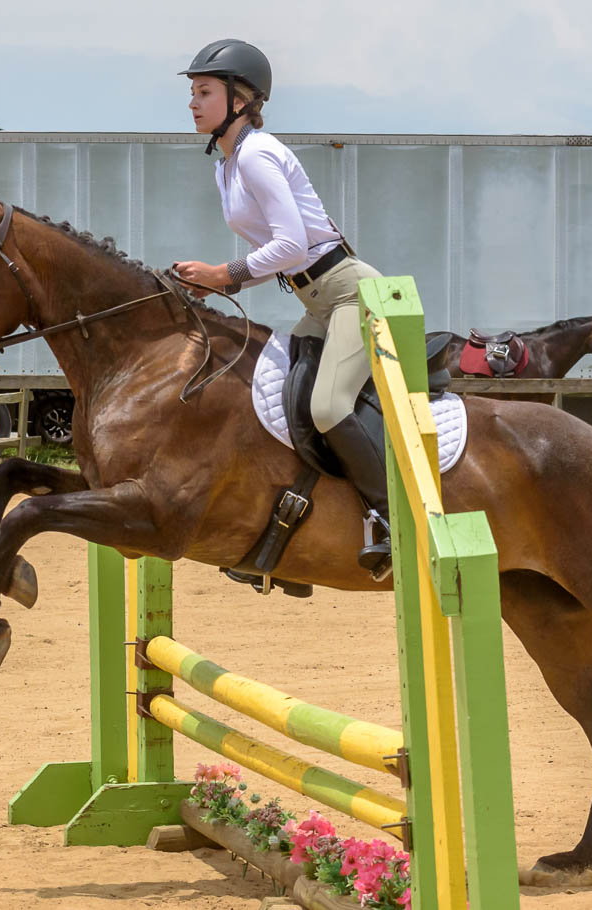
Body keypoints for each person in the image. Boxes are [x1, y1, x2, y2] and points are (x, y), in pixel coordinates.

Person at [168, 39, 392, 574]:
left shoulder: (259, 154)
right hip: (316, 300)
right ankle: (282, 530)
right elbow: (281, 253)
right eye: (192, 93)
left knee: (329, 406)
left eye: (204, 92)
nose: (193, 103)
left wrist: (226, 274)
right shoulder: (227, 166)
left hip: (347, 292)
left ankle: (389, 517)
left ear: (240, 100)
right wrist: (223, 282)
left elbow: (291, 245)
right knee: (272, 400)